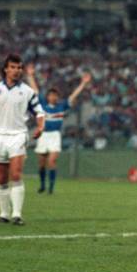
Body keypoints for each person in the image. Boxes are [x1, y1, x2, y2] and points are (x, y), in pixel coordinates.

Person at [0, 54, 45, 226]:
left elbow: (39, 112)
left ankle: (17, 215)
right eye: (13, 67)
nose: (16, 70)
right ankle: (4, 214)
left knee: (16, 174)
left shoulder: (28, 91)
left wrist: (40, 127)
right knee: (1, 178)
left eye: (19, 67)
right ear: (6, 69)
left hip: (18, 135)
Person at [25, 64, 92, 194]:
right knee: (42, 163)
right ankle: (43, 185)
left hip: (55, 135)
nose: (53, 97)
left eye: (55, 95)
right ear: (48, 96)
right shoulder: (43, 105)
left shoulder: (61, 106)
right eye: (51, 95)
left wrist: (83, 84)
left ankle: (51, 187)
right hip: (43, 135)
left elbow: (73, 96)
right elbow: (35, 89)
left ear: (57, 97)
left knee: (52, 161)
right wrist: (30, 75)